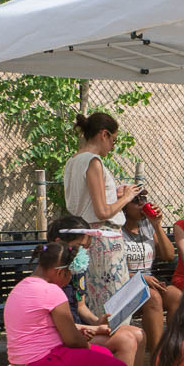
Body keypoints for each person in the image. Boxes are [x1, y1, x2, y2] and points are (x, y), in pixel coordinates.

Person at [3, 242, 130, 366]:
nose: (71, 278)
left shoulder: (20, 287)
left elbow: (45, 328)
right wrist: (83, 343)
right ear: (60, 271)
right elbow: (72, 341)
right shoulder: (52, 291)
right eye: (71, 273)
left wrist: (82, 340)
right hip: (41, 365)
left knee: (104, 354)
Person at [46, 217, 148, 366]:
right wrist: (95, 328)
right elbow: (57, 324)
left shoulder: (77, 268)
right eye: (80, 246)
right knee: (126, 340)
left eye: (87, 246)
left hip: (79, 329)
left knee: (138, 333)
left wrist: (96, 320)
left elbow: (81, 306)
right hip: (65, 336)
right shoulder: (52, 273)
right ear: (60, 243)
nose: (84, 251)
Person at [63, 112, 141, 316]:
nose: (113, 146)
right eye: (113, 140)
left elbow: (87, 202)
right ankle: (119, 344)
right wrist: (126, 197)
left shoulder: (73, 161)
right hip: (104, 242)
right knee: (117, 307)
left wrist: (114, 194)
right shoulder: (93, 161)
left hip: (85, 238)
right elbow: (102, 211)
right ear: (103, 134)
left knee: (94, 303)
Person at [120, 189, 175, 352]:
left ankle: (173, 352)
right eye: (136, 200)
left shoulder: (148, 226)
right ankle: (156, 358)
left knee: (177, 297)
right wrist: (140, 278)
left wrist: (156, 225)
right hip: (125, 284)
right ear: (123, 205)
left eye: (143, 198)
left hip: (150, 282)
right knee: (154, 298)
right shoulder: (116, 230)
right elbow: (114, 269)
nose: (142, 203)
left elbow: (168, 255)